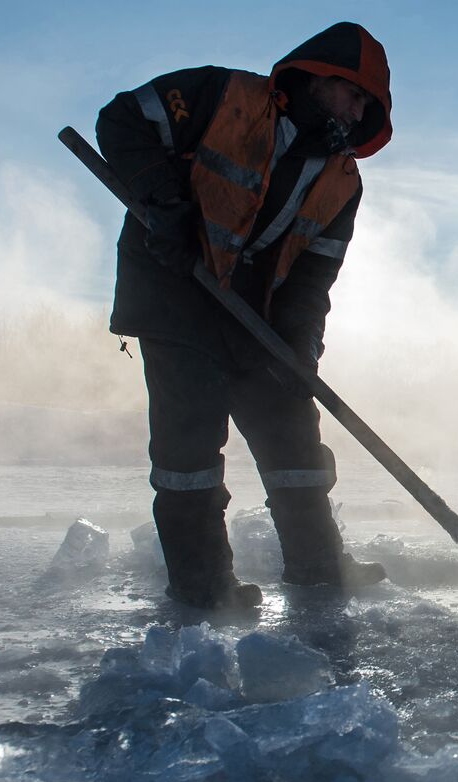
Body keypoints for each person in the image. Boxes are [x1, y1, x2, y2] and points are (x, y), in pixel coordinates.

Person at [97, 22, 393, 608]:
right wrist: (165, 204)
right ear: (319, 77)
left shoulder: (342, 181)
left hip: (257, 318)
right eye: (354, 94)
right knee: (190, 451)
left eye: (368, 106)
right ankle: (205, 590)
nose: (358, 112)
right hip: (175, 290)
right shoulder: (222, 96)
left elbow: (312, 279)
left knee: (295, 444)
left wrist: (300, 353)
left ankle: (319, 567)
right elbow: (122, 120)